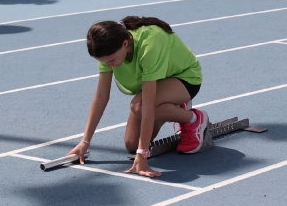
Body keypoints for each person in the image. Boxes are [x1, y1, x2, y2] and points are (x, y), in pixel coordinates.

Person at [68, 16, 208, 178]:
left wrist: (143, 155)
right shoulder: (108, 52)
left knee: (139, 107)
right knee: (132, 144)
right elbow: (101, 96)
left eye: (112, 60)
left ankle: (193, 118)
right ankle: (170, 106)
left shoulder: (150, 44)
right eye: (104, 62)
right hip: (157, 83)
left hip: (185, 78)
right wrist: (85, 142)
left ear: (125, 44)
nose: (109, 66)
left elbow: (147, 104)